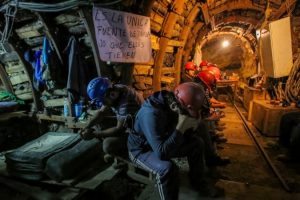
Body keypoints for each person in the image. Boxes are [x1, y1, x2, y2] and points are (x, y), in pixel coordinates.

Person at [127, 82, 227, 200]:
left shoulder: (174, 101)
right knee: (167, 168)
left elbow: (177, 131)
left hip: (161, 141)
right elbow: (162, 153)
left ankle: (198, 183)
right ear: (187, 106)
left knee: (197, 143)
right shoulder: (151, 114)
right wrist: (180, 128)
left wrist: (189, 129)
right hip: (142, 150)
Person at [80, 77, 144, 158]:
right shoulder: (113, 89)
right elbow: (101, 112)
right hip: (127, 123)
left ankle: (124, 155)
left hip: (138, 133)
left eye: (102, 101)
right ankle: (117, 149)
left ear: (111, 95)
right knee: (98, 123)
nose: (102, 104)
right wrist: (86, 126)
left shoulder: (126, 102)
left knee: (108, 145)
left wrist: (94, 135)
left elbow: (118, 129)